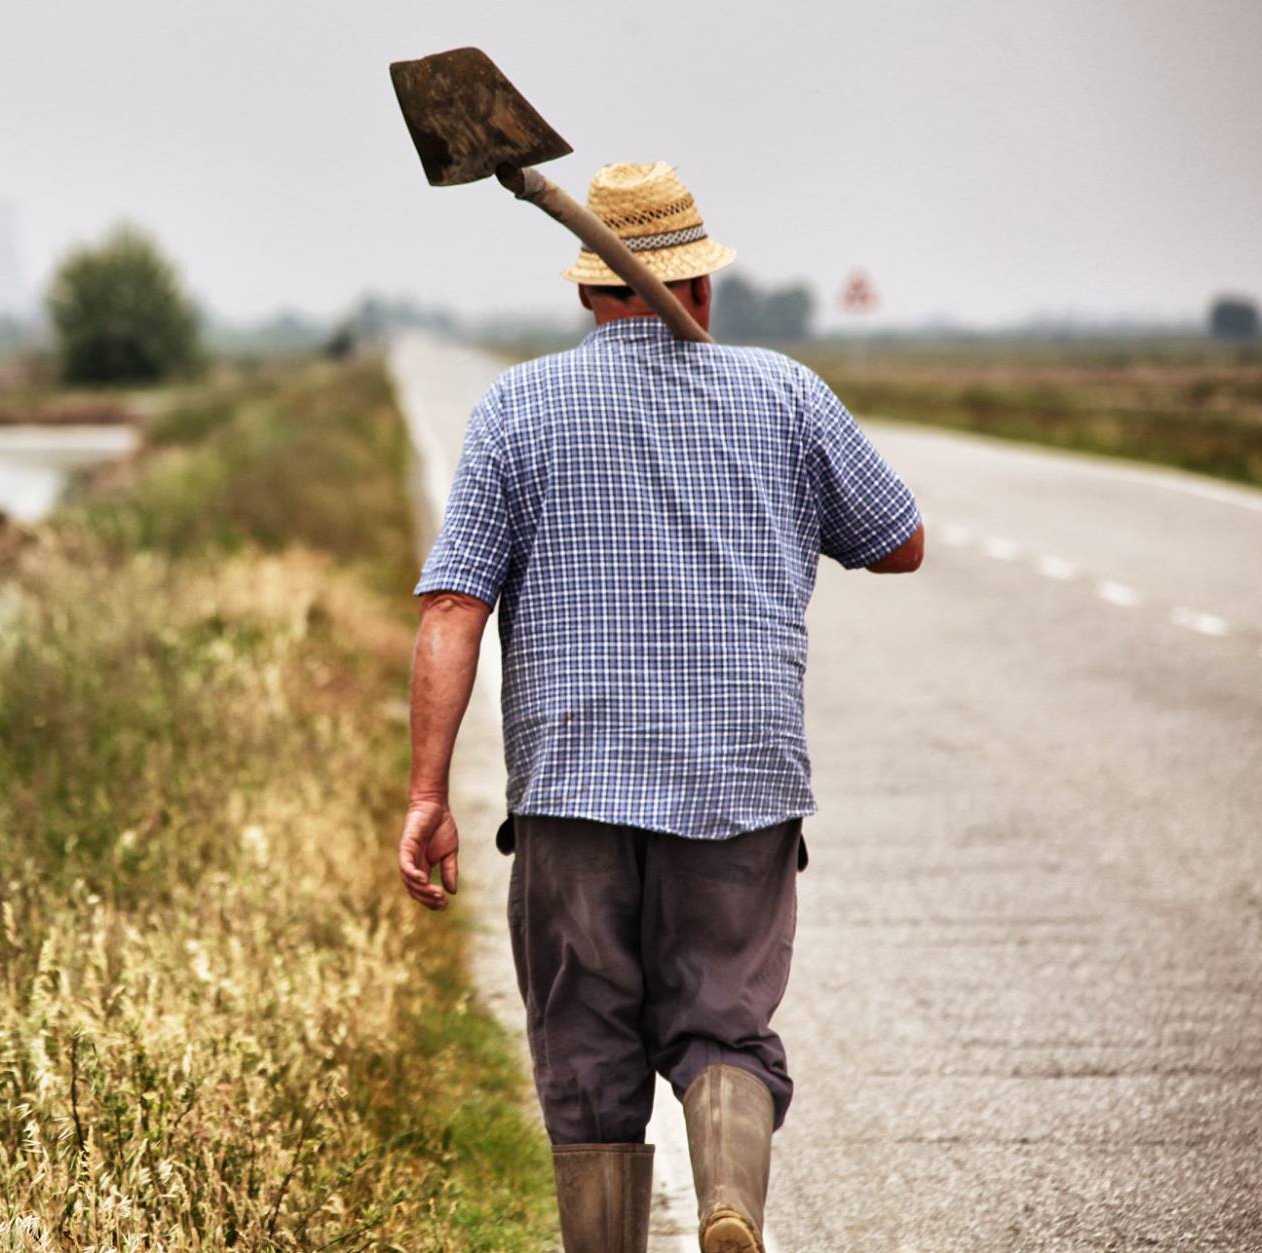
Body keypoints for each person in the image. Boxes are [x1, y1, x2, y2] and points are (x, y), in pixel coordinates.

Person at [398, 162, 925, 1253]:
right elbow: (899, 541)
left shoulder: (514, 407)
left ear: (590, 291)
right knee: (723, 1024)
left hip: (574, 789)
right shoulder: (783, 394)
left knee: (587, 1062)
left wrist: (425, 794)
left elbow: (451, 607)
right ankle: (729, 1199)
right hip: (741, 784)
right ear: (698, 285)